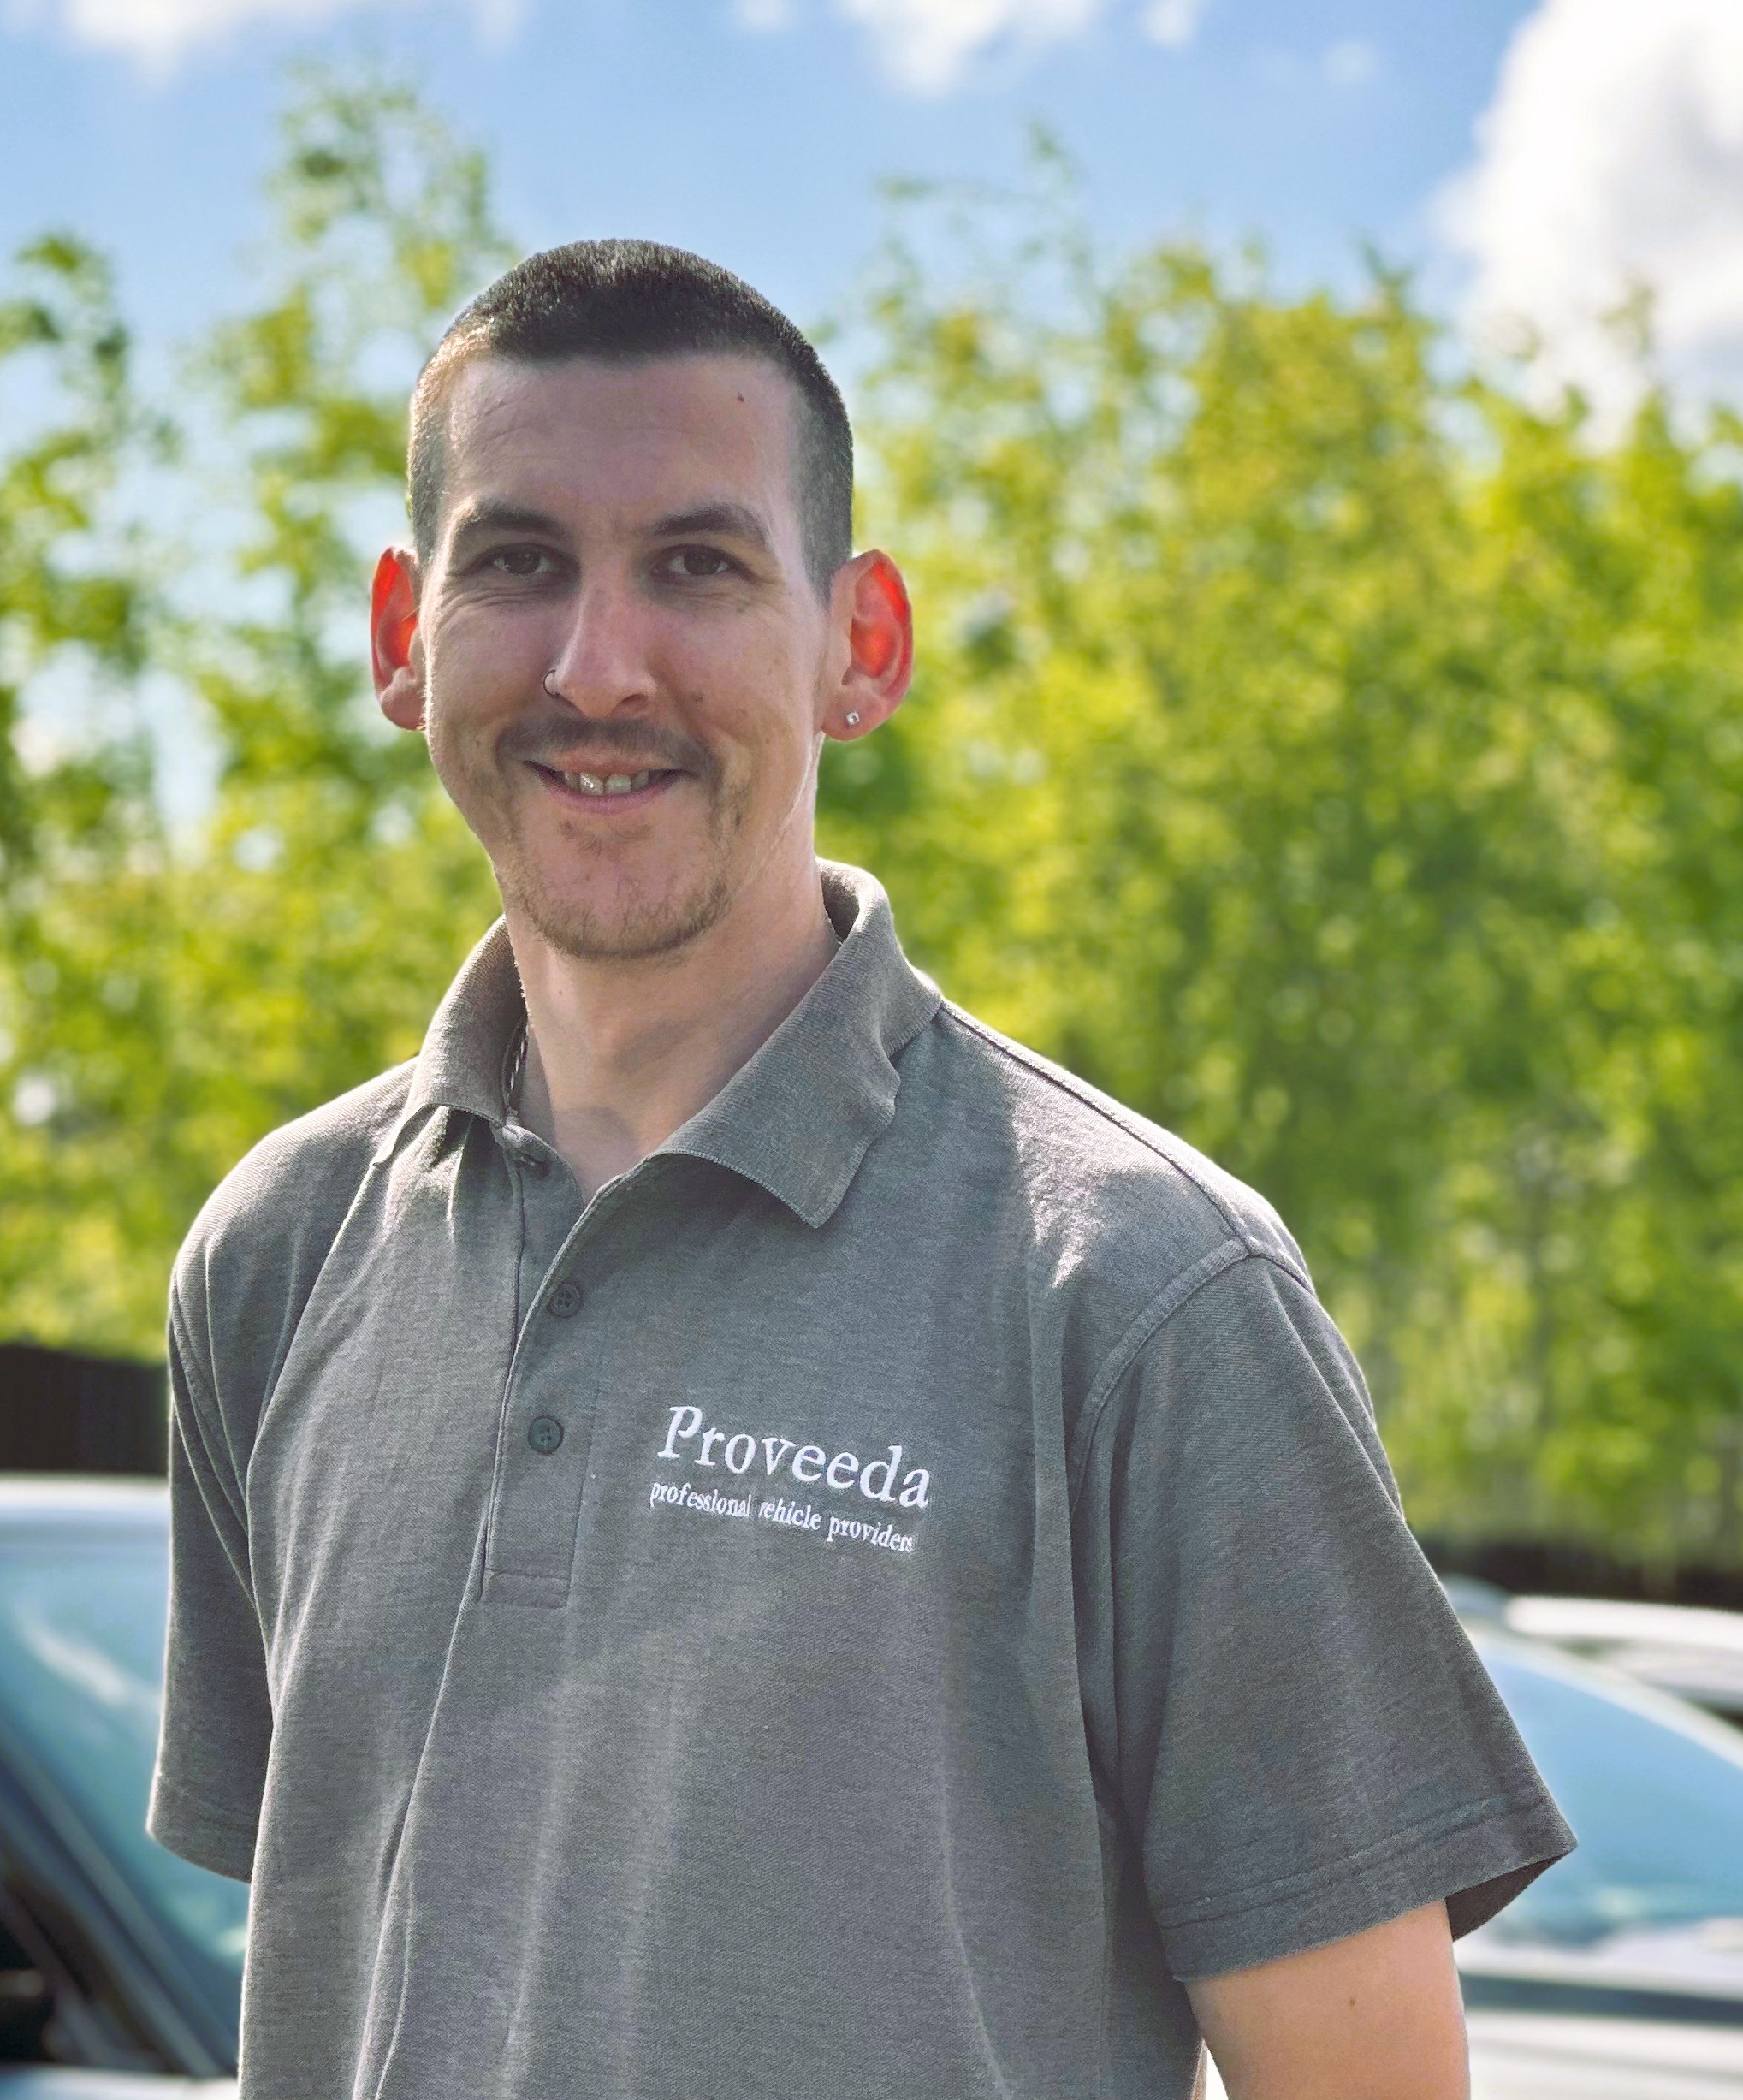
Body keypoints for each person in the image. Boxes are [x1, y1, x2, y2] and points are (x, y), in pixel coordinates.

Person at [149, 239, 1571, 2100]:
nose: (598, 665)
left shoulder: (1143, 1295)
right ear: (402, 638)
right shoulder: (275, 1254)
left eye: (697, 566)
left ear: (861, 645)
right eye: (519, 564)